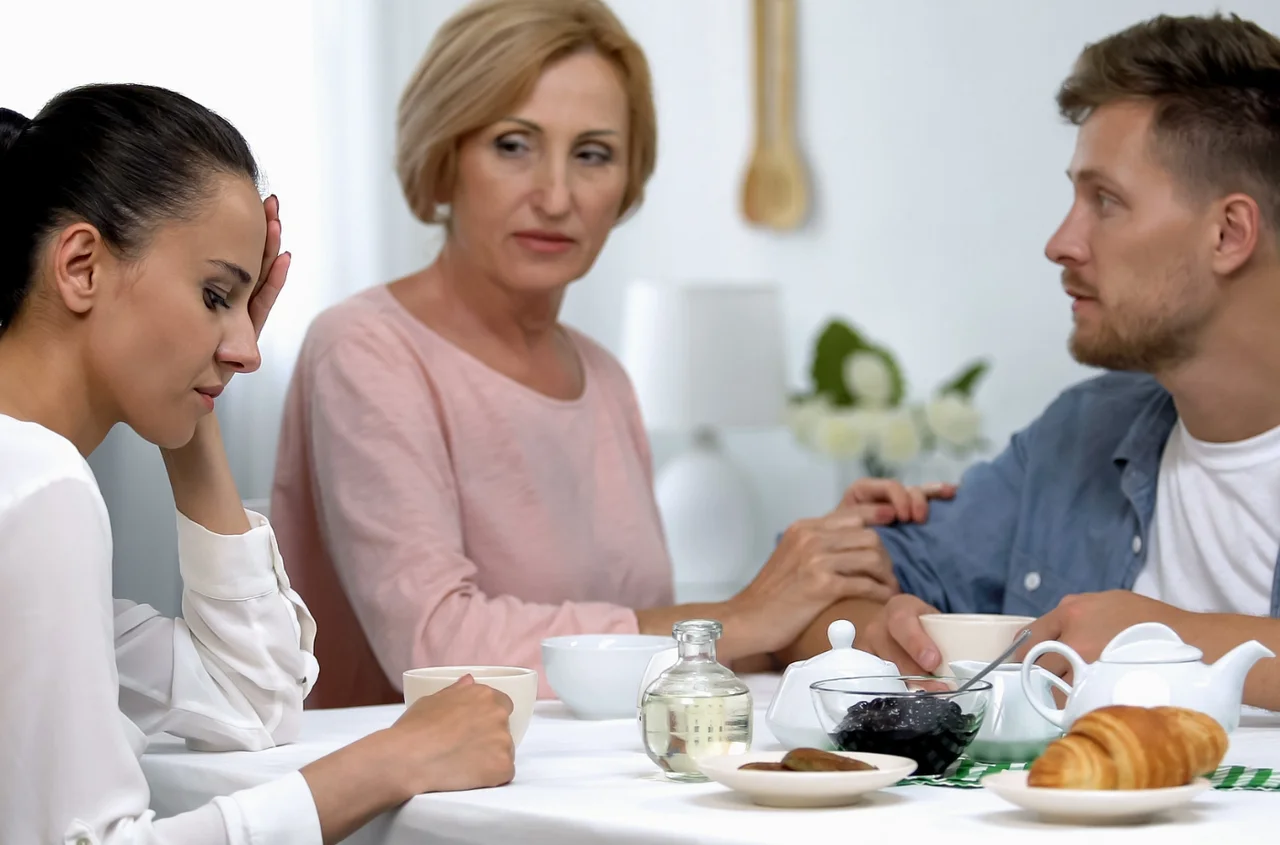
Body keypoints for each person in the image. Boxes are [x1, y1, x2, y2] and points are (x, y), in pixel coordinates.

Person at [270, 0, 943, 708]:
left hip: (595, 786)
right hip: (422, 806)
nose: (556, 196)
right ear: (442, 160)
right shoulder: (364, 348)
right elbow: (438, 649)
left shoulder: (605, 379)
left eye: (592, 154)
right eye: (513, 144)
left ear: (625, 183)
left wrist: (819, 573)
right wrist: (739, 617)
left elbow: (645, 658)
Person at [0, 84, 516, 845]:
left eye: (247, 306)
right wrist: (391, 760)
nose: (248, 347)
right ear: (80, 265)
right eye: (215, 293)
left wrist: (200, 386)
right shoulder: (39, 484)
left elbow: (249, 702)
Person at [782, 13, 1280, 712]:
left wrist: (1173, 639)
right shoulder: (1081, 434)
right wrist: (877, 631)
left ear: (1228, 232)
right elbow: (809, 591)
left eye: (1105, 200)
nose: (1060, 242)